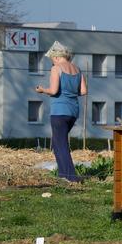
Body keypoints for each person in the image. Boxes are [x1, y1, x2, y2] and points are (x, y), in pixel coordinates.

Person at [35, 41, 87, 182]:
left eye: (52, 60)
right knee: (61, 142)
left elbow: (53, 90)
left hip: (59, 110)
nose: (52, 63)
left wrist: (42, 90)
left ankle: (69, 176)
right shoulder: (77, 69)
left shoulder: (56, 68)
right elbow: (83, 91)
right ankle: (65, 174)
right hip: (73, 111)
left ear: (56, 57)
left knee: (60, 144)